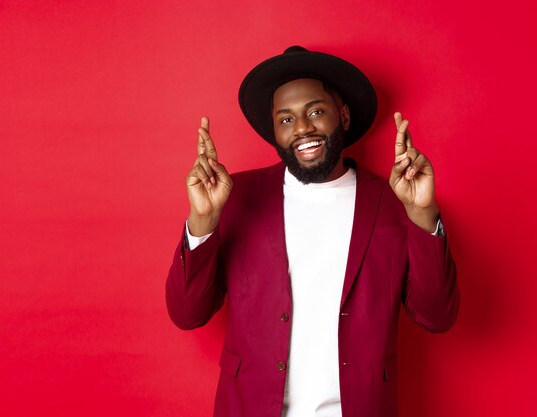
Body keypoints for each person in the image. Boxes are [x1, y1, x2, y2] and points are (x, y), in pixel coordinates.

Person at [166, 46, 460, 417]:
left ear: (344, 115)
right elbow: (187, 313)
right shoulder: (234, 197)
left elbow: (438, 316)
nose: (302, 128)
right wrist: (203, 220)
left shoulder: (394, 201)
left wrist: (421, 214)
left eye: (316, 112)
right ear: (274, 130)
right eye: (286, 119)